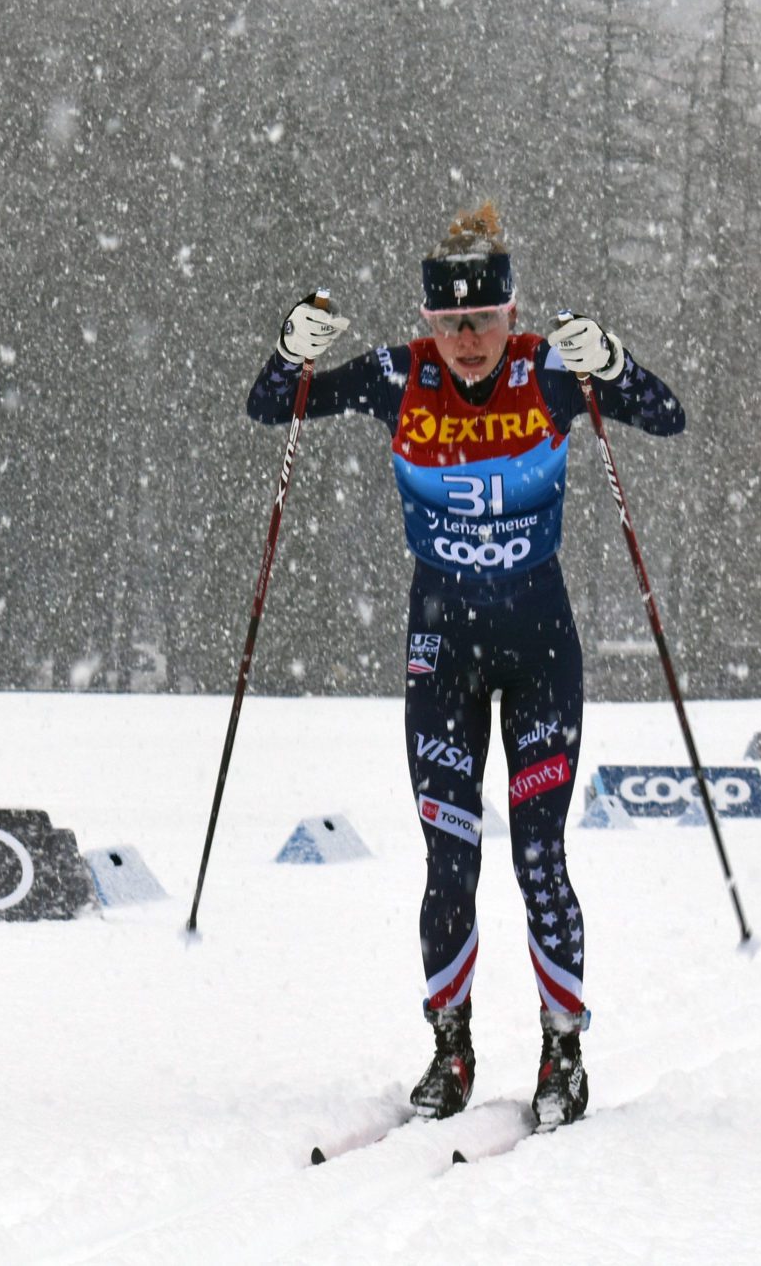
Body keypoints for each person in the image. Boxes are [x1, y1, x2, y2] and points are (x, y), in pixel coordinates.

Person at [245, 203, 685, 1132]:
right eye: (450, 325)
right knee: (450, 860)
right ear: (428, 323)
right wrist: (292, 350)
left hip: (539, 649)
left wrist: (615, 366)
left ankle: (562, 1052)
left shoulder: (547, 368)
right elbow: (271, 404)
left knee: (538, 856)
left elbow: (666, 416)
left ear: (511, 311)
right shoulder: (397, 375)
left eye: (484, 320)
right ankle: (451, 1048)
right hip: (440, 648)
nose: (469, 342)